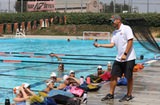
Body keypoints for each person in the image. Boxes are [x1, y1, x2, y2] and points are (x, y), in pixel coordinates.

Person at [94, 14, 136, 102]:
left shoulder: (126, 28)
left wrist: (125, 54)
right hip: (119, 58)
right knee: (113, 75)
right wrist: (100, 45)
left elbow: (130, 41)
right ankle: (111, 94)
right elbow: (112, 45)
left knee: (129, 77)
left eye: (112, 21)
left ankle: (129, 95)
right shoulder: (114, 32)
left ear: (118, 20)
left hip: (129, 58)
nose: (111, 23)